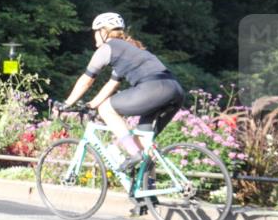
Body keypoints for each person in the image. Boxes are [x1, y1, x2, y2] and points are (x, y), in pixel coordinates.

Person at [60, 13, 185, 174]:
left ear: (103, 32)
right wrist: (90, 105)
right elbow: (111, 85)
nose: (94, 37)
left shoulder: (108, 47)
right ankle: (148, 193)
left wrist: (67, 104)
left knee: (106, 109)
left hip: (153, 88)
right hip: (175, 90)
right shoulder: (130, 50)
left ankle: (135, 154)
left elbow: (87, 80)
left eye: (95, 32)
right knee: (143, 144)